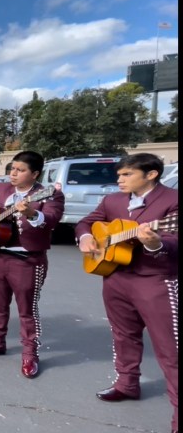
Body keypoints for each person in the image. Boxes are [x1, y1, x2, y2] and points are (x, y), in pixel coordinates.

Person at [76, 153, 178, 432]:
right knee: (123, 336)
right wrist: (85, 237)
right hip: (115, 277)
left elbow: (174, 241)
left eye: (126, 175)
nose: (119, 180)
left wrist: (156, 244)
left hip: (155, 280)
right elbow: (86, 223)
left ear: (151, 174)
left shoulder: (172, 200)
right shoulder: (113, 200)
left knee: (170, 348)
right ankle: (127, 384)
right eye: (119, 175)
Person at [0, 150, 65, 379]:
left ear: (35, 174)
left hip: (28, 259)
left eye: (21, 170)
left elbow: (50, 221)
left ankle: (30, 355)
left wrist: (31, 213)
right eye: (12, 169)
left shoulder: (49, 195)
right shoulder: (1, 190)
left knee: (27, 311)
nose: (14, 174)